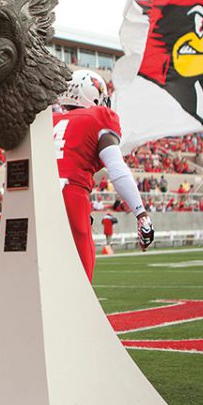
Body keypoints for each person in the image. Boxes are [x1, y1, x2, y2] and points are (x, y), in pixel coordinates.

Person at [53, 70, 154, 282]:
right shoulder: (99, 117)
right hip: (70, 194)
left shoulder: (49, 120)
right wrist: (141, 213)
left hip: (37, 194)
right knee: (81, 281)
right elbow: (117, 169)